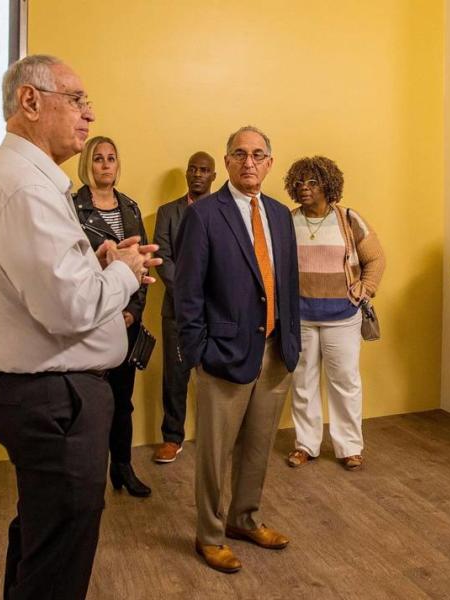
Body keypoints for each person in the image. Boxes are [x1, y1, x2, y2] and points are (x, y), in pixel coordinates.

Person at [0, 55, 160, 599]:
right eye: (76, 99)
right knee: (57, 566)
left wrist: (94, 265)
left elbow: (46, 285)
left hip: (48, 396)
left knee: (41, 540)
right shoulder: (25, 187)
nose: (89, 115)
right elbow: (70, 307)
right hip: (56, 399)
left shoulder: (20, 177)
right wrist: (124, 270)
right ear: (30, 101)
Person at [174, 126, 300, 573]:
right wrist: (198, 351)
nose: (249, 162)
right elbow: (187, 292)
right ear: (226, 161)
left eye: (258, 154)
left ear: (270, 162)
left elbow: (287, 283)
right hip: (222, 355)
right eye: (240, 154)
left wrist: (292, 343)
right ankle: (209, 535)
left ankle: (244, 519)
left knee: (258, 447)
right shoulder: (205, 215)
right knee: (214, 452)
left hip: (274, 351)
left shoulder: (282, 215)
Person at [283, 156, 385, 471]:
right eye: (299, 182)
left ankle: (349, 448)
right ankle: (305, 445)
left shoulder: (348, 219)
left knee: (345, 381)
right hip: (300, 317)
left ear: (328, 185)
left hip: (342, 316)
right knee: (303, 382)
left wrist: (365, 288)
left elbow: (376, 259)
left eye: (312, 182)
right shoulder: (288, 221)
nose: (304, 188)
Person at [72, 136, 151, 497]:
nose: (105, 165)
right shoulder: (72, 209)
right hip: (90, 319)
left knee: (123, 401)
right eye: (98, 158)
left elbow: (144, 267)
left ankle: (122, 467)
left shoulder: (131, 209)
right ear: (87, 164)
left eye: (111, 159)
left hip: (126, 322)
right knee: (88, 404)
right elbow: (72, 269)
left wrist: (132, 313)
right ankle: (88, 477)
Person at [151, 151, 217, 463]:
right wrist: (191, 298)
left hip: (218, 313)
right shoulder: (167, 213)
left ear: (214, 176)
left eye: (205, 170)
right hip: (178, 310)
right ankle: (172, 437)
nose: (198, 174)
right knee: (175, 376)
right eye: (193, 169)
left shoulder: (226, 212)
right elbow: (163, 259)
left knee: (216, 378)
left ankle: (217, 437)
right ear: (187, 174)